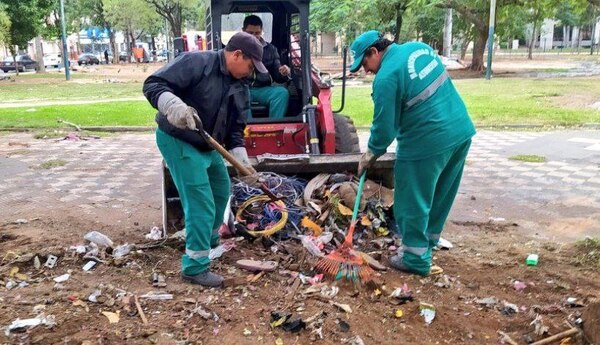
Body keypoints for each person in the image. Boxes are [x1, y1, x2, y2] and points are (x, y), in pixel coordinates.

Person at [143, 32, 266, 287]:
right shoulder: (197, 63)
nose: (251, 72)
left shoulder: (240, 84)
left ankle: (206, 244)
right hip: (178, 139)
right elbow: (153, 84)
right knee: (201, 202)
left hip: (208, 144)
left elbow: (235, 131)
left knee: (221, 191)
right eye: (250, 65)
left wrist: (244, 165)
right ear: (236, 55)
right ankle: (194, 267)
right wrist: (174, 107)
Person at [352, 30, 476, 276]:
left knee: (411, 200)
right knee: (440, 194)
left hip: (426, 140)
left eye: (365, 63)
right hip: (460, 131)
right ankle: (426, 244)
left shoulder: (386, 77)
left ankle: (415, 258)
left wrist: (370, 155)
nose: (365, 70)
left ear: (374, 51)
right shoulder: (419, 48)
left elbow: (384, 128)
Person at [242, 15, 291, 119]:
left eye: (257, 33)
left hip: (263, 89)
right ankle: (247, 130)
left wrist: (283, 72)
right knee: (238, 95)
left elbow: (278, 75)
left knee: (281, 93)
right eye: (250, 33)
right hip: (241, 89)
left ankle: (274, 129)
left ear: (261, 32)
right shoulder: (235, 48)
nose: (254, 36)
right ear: (243, 31)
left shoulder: (271, 50)